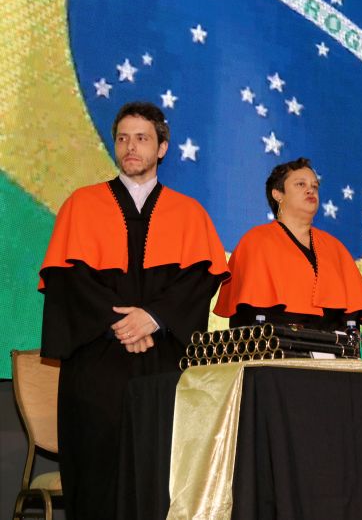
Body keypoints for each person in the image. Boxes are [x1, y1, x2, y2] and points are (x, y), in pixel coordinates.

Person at [38, 102, 229, 519]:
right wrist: (122, 324)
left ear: (162, 148)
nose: (130, 147)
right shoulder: (81, 205)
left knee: (161, 473)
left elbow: (199, 280)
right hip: (97, 362)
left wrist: (153, 318)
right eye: (123, 138)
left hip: (164, 363)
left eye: (142, 138)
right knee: (96, 474)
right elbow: (69, 282)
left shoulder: (188, 212)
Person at [214, 157, 362, 329]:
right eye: (300, 184)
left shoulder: (336, 248)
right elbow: (245, 318)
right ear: (278, 194)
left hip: (330, 344)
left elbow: (352, 320)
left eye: (315, 186)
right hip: (276, 343)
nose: (310, 190)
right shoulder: (256, 242)